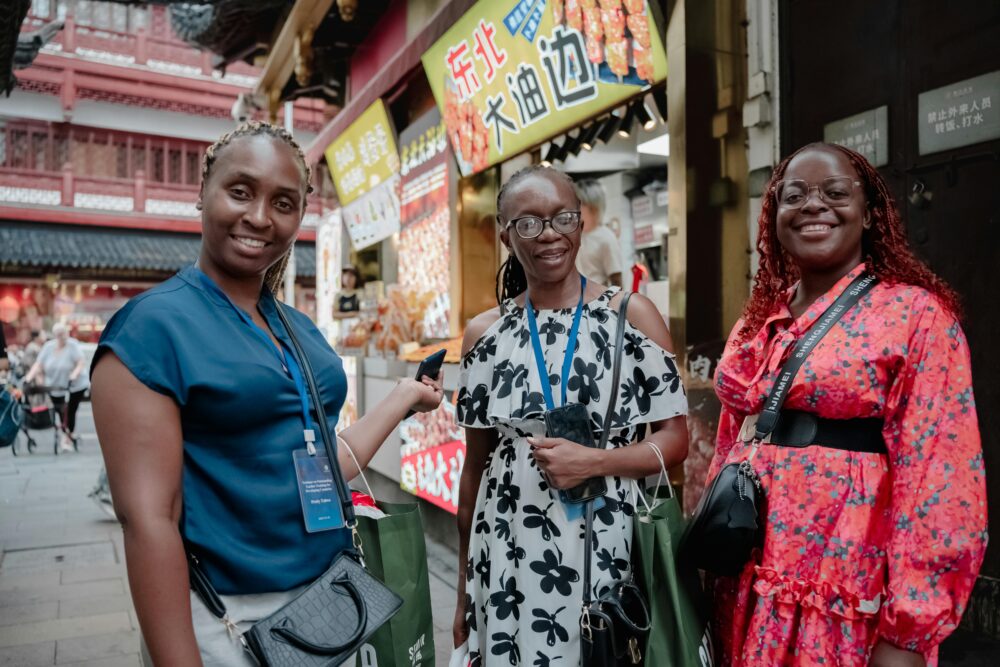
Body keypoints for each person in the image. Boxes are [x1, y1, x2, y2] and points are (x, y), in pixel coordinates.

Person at [89, 122, 444, 667]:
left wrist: (401, 398)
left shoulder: (297, 328)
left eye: (283, 202)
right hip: (228, 618)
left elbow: (323, 464)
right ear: (203, 192)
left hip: (331, 602)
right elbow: (148, 520)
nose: (259, 217)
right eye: (240, 191)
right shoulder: (152, 330)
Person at [706, 142, 987, 666]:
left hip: (843, 589)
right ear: (774, 215)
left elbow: (941, 481)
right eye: (795, 195)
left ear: (869, 212)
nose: (814, 205)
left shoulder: (915, 316)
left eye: (835, 193)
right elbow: (731, 441)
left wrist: (907, 634)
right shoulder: (759, 319)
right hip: (745, 585)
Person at [453, 165, 688, 665]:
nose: (549, 235)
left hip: (607, 536)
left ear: (581, 224)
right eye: (529, 223)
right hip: (508, 541)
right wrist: (462, 589)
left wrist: (596, 463)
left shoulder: (632, 314)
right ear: (505, 234)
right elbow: (475, 467)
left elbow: (674, 440)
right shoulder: (484, 335)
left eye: (562, 218)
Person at [24, 323, 88, 451]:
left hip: (75, 385)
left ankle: (67, 437)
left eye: (64, 333)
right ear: (54, 335)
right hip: (55, 385)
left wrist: (74, 374)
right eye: (59, 335)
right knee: (59, 410)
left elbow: (80, 362)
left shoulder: (73, 345)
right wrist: (29, 377)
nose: (62, 337)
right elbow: (39, 364)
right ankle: (67, 433)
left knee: (70, 411)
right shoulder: (48, 347)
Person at [573, 179, 623, 287]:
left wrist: (616, 303)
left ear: (593, 208)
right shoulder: (574, 234)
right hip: (575, 298)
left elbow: (616, 279)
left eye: (579, 204)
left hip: (597, 298)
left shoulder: (606, 238)